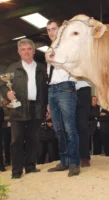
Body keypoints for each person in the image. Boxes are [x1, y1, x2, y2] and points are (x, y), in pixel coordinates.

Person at [0, 38, 48, 179]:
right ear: (18, 52)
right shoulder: (12, 68)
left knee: (33, 138)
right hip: (18, 109)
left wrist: (47, 105)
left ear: (33, 51)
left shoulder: (41, 68)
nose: (26, 52)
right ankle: (16, 171)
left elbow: (46, 88)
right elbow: (3, 85)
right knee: (17, 140)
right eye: (23, 49)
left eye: (29, 49)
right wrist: (7, 93)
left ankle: (31, 167)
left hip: (36, 107)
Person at [46, 19, 80, 177]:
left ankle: (74, 163)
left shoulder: (68, 46)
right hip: (52, 89)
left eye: (54, 29)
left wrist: (54, 58)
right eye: (48, 30)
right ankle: (64, 161)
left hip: (66, 87)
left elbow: (72, 66)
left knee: (69, 128)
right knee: (58, 129)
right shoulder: (50, 48)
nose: (51, 32)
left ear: (60, 30)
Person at [76, 80, 92, 167]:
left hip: (83, 89)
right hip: (66, 89)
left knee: (83, 125)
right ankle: (73, 156)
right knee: (70, 127)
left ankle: (84, 157)